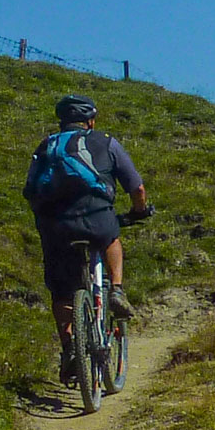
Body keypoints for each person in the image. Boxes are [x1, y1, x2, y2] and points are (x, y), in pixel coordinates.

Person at [22, 94, 151, 382]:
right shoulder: (106, 142)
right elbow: (137, 188)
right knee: (111, 239)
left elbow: (30, 189)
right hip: (97, 216)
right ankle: (116, 291)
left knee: (61, 291)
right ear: (90, 121)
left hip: (55, 224)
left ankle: (69, 348)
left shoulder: (46, 146)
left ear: (62, 121)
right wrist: (138, 211)